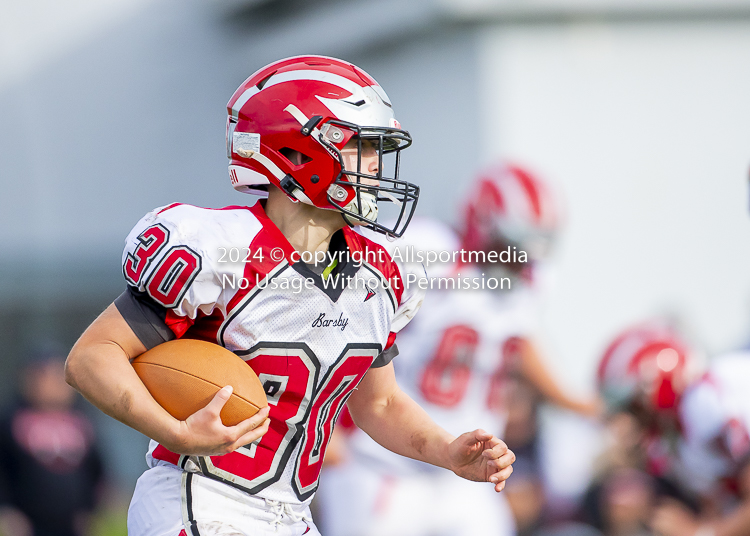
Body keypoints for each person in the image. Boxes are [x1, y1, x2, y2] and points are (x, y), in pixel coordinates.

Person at [64, 56, 515, 536]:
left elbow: (378, 404)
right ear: (296, 154)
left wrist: (447, 451)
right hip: (200, 500)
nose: (377, 165)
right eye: (360, 146)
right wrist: (175, 432)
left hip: (292, 516)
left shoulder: (383, 270)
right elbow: (91, 358)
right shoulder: (222, 252)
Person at [317, 163, 597, 536]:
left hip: (468, 476)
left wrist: (573, 400)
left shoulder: (531, 282)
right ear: (482, 226)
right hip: (382, 466)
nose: (521, 260)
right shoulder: (431, 253)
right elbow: (344, 326)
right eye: (512, 245)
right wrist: (324, 422)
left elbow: (515, 337)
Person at [596, 323, 750, 536]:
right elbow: (721, 513)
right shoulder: (677, 443)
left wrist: (699, 533)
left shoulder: (703, 399)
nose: (632, 423)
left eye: (633, 408)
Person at [0, 346, 105, 536]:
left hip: (73, 523)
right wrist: (7, 510)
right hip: (27, 523)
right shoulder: (12, 419)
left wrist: (91, 508)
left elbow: (95, 467)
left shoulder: (79, 418)